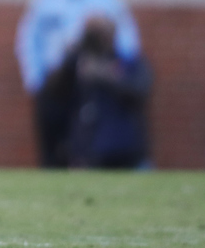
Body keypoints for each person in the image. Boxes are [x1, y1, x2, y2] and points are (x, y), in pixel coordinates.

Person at [16, 0, 142, 168]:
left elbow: (127, 39)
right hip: (54, 81)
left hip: (89, 83)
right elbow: (28, 40)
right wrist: (35, 79)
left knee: (82, 143)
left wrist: (119, 70)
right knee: (51, 146)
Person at [49, 17, 152, 169]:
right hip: (87, 152)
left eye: (101, 32)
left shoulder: (128, 62)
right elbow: (53, 93)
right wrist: (72, 57)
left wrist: (104, 75)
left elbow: (140, 90)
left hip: (126, 151)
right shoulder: (77, 63)